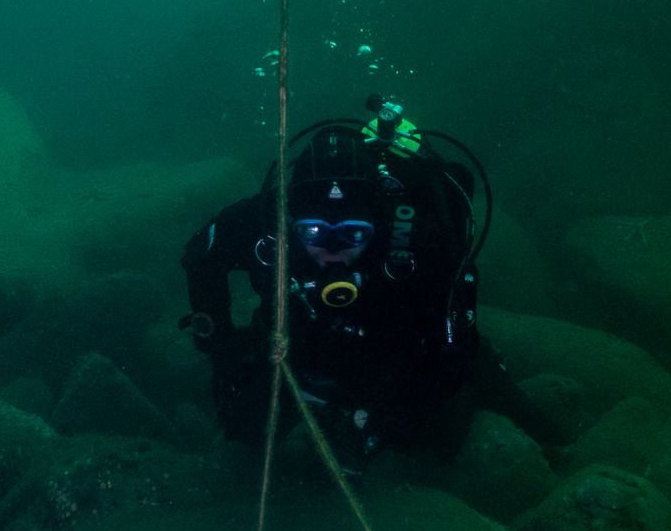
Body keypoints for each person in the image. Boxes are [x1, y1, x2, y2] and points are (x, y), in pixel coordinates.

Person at [181, 97, 535, 473]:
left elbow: (451, 352)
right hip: (294, 344)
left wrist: (380, 422)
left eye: (353, 233)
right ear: (293, 221)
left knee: (434, 439)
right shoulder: (269, 221)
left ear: (376, 225)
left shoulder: (411, 237)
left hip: (392, 350)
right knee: (242, 429)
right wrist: (218, 341)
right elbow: (200, 254)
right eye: (314, 232)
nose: (333, 249)